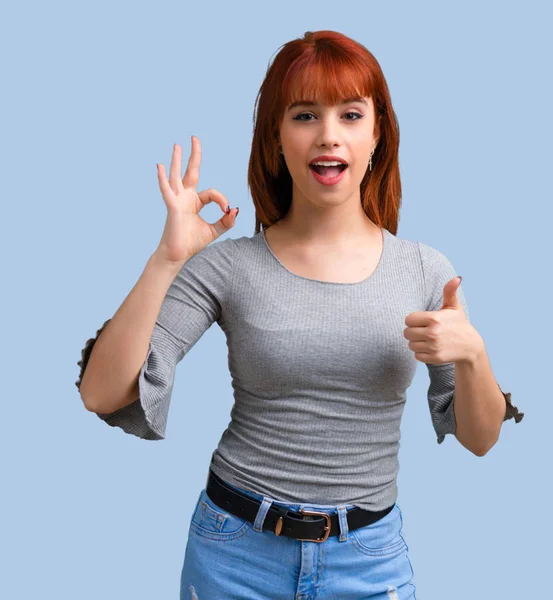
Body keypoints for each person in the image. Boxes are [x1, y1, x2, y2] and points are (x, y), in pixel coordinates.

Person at [75, 30, 524, 600]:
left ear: (377, 134)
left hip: (368, 560)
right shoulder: (230, 267)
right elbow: (101, 393)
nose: (329, 136)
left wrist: (474, 355)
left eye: (351, 115)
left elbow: (480, 440)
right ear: (278, 139)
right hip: (233, 552)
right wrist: (167, 261)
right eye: (306, 115)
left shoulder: (426, 270)